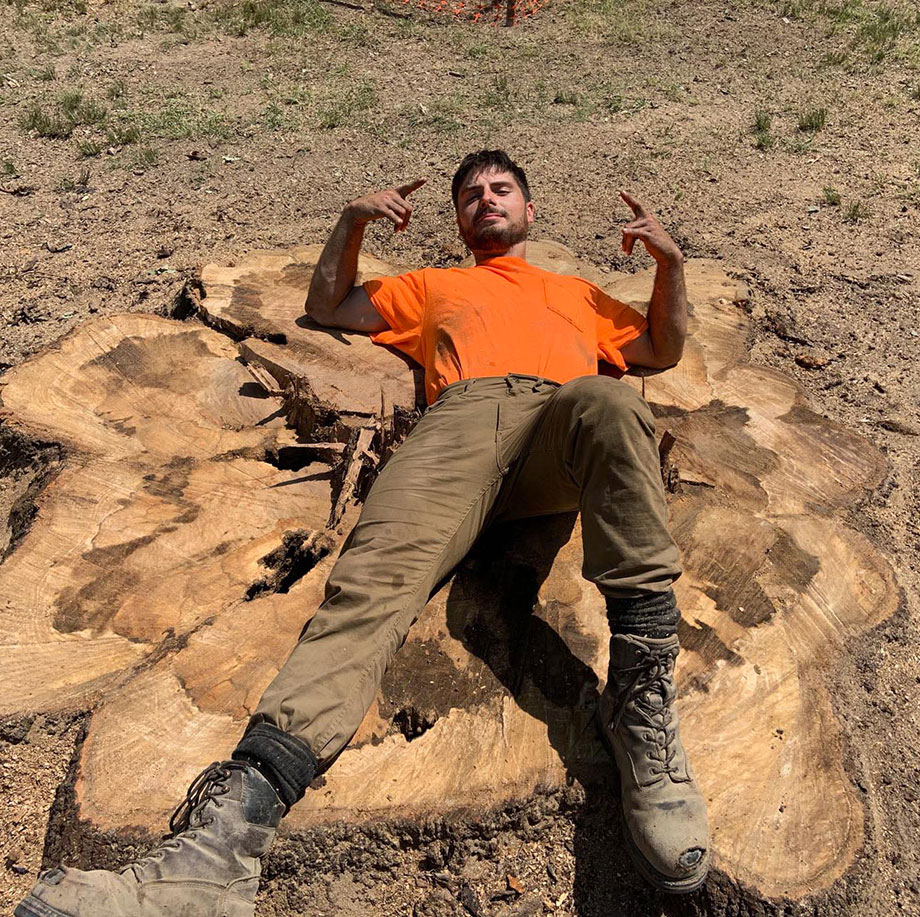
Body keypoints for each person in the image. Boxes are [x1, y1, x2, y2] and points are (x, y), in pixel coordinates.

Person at [16, 150, 708, 917]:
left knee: (612, 405)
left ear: (530, 210)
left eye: (501, 189)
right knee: (366, 584)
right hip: (462, 424)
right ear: (457, 220)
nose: (486, 199)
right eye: (471, 194)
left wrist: (670, 265)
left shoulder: (577, 293)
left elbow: (660, 349)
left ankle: (641, 703)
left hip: (562, 430)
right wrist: (350, 222)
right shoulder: (435, 286)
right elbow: (330, 305)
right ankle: (220, 846)